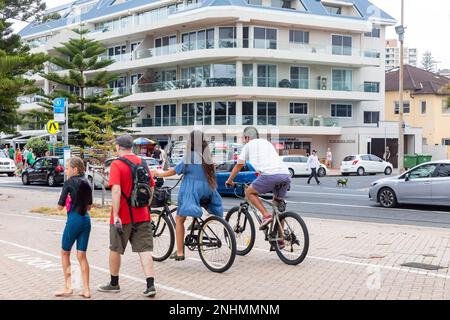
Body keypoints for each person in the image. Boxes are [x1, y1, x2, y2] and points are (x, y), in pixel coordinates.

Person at [98, 134, 157, 297]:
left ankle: (114, 283)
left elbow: (116, 190)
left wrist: (116, 214)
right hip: (142, 215)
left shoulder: (117, 164)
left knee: (115, 249)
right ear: (132, 147)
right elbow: (151, 188)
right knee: (145, 250)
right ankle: (150, 284)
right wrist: (146, 207)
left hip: (122, 216)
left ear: (118, 147)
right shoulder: (143, 163)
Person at [153, 130, 223, 260]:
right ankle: (196, 223)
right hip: (208, 190)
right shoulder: (207, 155)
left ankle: (180, 252)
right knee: (197, 204)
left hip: (193, 190)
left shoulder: (189, 156)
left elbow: (174, 171)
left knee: (180, 220)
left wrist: (158, 174)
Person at [225, 127, 291, 231]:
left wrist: (229, 180)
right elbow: (269, 160)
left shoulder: (248, 146)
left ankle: (266, 216)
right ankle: (281, 240)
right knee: (277, 207)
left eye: (243, 138)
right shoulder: (267, 143)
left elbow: (239, 165)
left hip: (270, 175)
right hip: (285, 175)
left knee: (249, 192)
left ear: (247, 137)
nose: (243, 140)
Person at [56, 157, 93, 298]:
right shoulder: (88, 182)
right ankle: (86, 289)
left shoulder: (69, 183)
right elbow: (89, 206)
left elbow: (59, 207)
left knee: (65, 252)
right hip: (86, 220)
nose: (66, 170)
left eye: (67, 168)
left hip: (74, 220)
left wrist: (66, 201)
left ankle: (67, 287)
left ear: (75, 169)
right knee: (81, 256)